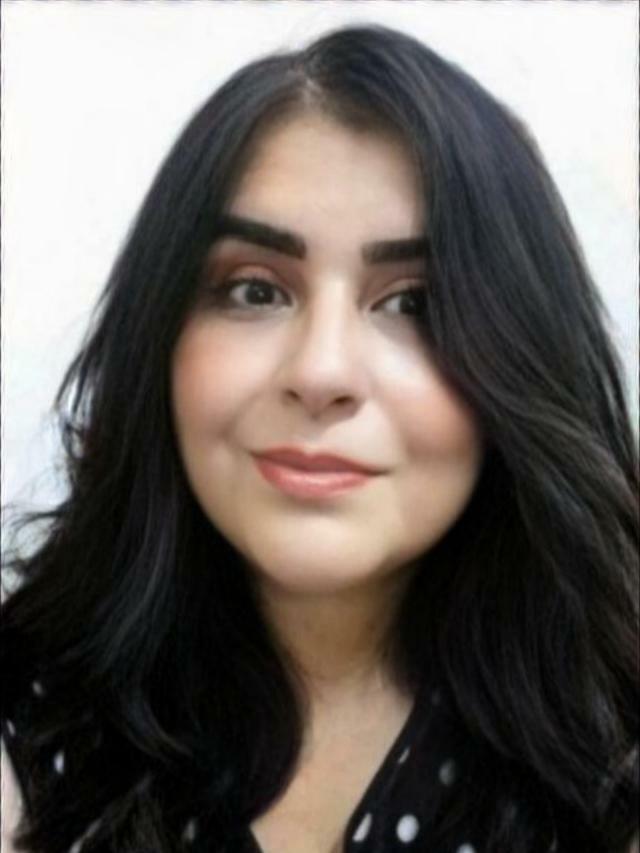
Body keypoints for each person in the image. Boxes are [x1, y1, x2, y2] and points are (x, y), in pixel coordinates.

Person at [1, 23, 637, 853]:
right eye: (255, 290)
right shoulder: (26, 739)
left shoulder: (613, 760)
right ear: (160, 336)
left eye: (414, 303)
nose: (322, 370)